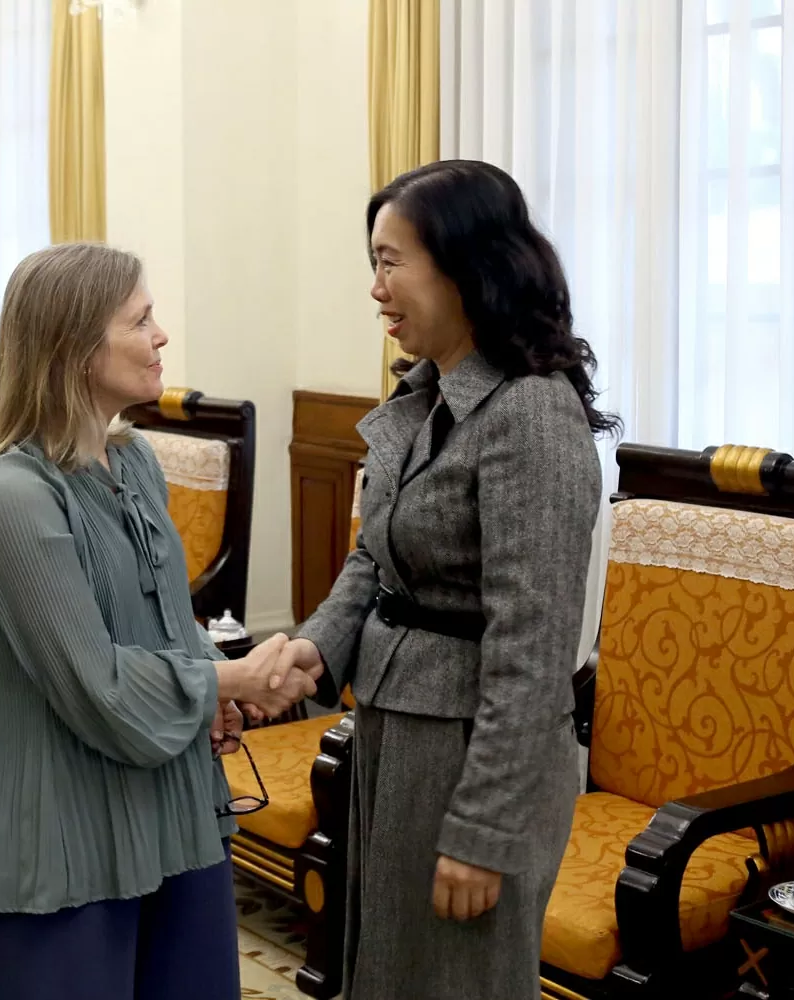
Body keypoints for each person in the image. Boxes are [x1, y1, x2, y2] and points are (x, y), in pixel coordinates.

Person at [273, 159, 617, 999]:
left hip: (475, 756)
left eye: (391, 261)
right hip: (398, 727)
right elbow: (377, 557)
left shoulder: (530, 412)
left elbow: (532, 653)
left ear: (467, 265)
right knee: (389, 967)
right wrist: (316, 648)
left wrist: (483, 829)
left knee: (458, 981)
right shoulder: (426, 395)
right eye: (373, 261)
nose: (376, 287)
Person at [0, 242, 322, 1000]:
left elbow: (166, 622)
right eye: (141, 319)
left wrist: (212, 693)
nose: (161, 336)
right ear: (73, 347)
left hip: (173, 804)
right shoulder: (15, 497)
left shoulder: (136, 462)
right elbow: (93, 683)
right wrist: (227, 676)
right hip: (65, 830)